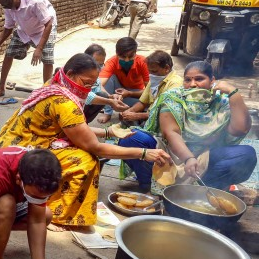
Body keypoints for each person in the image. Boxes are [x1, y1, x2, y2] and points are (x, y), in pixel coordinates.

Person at [0, 53, 170, 230]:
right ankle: (52, 213)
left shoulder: (55, 83)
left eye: (91, 85)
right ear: (70, 74)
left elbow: (73, 128)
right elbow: (94, 146)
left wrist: (109, 131)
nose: (87, 89)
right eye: (85, 83)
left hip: (11, 142)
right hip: (21, 151)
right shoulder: (64, 102)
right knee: (85, 160)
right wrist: (144, 153)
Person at [118, 61, 256, 192]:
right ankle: (148, 183)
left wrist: (234, 93)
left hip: (204, 156)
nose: (193, 84)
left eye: (199, 79)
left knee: (246, 155)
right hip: (168, 153)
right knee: (129, 138)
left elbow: (240, 129)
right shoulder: (173, 97)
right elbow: (171, 132)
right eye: (188, 80)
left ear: (212, 80)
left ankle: (204, 188)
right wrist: (188, 158)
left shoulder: (221, 102)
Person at [0, 0, 57, 96]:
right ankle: (1, 88)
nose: (3, 7)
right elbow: (8, 28)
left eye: (4, 4)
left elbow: (48, 24)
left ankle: (46, 92)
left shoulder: (34, 2)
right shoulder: (9, 7)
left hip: (44, 28)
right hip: (24, 29)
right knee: (9, 53)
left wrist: (39, 49)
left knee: (47, 59)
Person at [119, 50, 183, 124]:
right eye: (149, 71)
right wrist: (128, 112)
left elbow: (167, 113)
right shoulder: (155, 79)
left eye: (154, 71)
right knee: (126, 121)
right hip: (150, 115)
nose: (151, 74)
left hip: (164, 120)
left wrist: (138, 116)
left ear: (166, 68)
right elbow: (142, 102)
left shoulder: (175, 84)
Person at [96, 37, 150, 124]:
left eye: (130, 56)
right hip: (118, 94)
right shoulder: (111, 62)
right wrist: (111, 98)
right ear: (117, 54)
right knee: (109, 78)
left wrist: (129, 93)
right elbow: (98, 84)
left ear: (135, 53)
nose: (127, 60)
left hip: (137, 95)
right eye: (123, 56)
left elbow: (150, 91)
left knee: (151, 102)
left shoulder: (143, 62)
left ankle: (132, 110)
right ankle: (108, 112)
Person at [79, 43, 129, 123]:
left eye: (101, 64)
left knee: (103, 95)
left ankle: (84, 123)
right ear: (86, 59)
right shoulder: (78, 72)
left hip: (81, 105)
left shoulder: (93, 72)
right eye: (95, 63)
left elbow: (98, 86)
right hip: (69, 106)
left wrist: (111, 96)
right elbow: (85, 96)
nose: (98, 67)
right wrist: (110, 102)